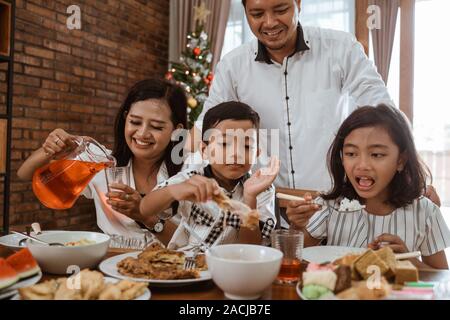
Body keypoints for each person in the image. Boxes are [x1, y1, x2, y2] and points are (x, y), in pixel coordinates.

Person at [17, 79, 188, 246]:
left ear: (177, 131)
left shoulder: (190, 173)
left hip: (170, 268)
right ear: (125, 119)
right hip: (110, 266)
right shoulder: (102, 163)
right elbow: (25, 173)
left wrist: (146, 217)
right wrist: (51, 150)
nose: (142, 133)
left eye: (157, 127)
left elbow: (194, 244)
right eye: (135, 122)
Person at [286, 104, 450, 269]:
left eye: (376, 155)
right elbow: (297, 256)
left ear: (401, 160)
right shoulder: (329, 205)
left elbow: (442, 277)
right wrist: (298, 225)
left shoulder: (425, 212)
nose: (362, 165)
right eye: (351, 154)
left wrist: (410, 263)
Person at [140, 102, 280, 250]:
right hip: (187, 265)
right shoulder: (192, 180)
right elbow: (145, 209)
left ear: (256, 153)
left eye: (246, 146)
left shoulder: (261, 189)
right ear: (204, 150)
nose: (236, 154)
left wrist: (249, 197)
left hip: (233, 269)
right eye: (224, 143)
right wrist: (173, 190)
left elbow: (251, 250)